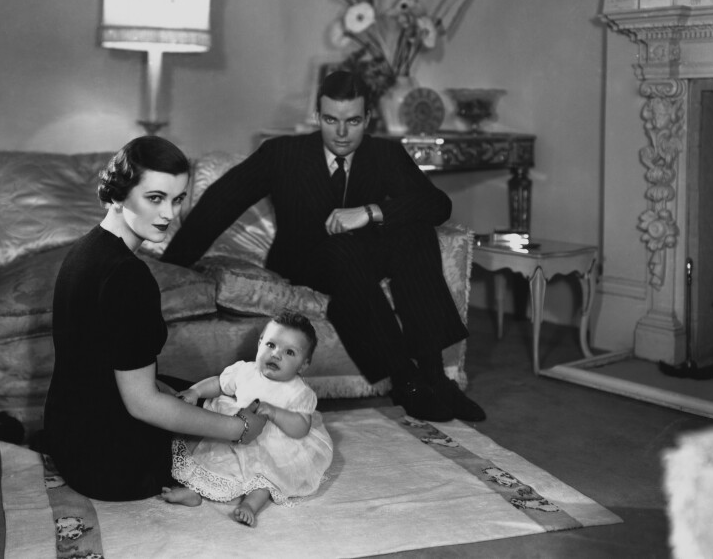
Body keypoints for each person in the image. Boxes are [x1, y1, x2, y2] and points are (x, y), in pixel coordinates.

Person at [162, 70, 485, 423]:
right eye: (331, 120)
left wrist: (370, 212)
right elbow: (220, 203)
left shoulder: (385, 154)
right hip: (305, 260)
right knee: (342, 251)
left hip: (364, 255)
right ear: (317, 116)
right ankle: (406, 380)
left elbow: (437, 204)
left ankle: (436, 377)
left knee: (416, 233)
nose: (342, 132)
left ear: (368, 118)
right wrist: (171, 265)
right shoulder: (283, 153)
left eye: (353, 121)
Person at [43, 136, 267, 501]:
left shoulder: (84, 249)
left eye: (177, 199)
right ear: (118, 195)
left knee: (205, 393)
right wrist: (237, 429)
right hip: (108, 465)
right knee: (245, 431)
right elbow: (142, 403)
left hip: (66, 434)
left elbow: (99, 364)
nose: (169, 214)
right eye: (155, 198)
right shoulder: (129, 276)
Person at [163, 310, 334, 527]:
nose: (276, 354)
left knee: (265, 478)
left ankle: (250, 505)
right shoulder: (245, 370)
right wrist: (195, 391)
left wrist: (275, 413)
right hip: (236, 431)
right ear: (260, 343)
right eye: (271, 345)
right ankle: (193, 491)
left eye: (289, 352)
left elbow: (301, 427)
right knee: (210, 456)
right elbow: (219, 383)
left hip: (272, 444)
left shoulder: (299, 391)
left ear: (303, 365)